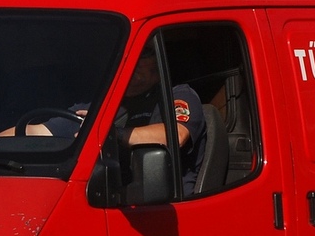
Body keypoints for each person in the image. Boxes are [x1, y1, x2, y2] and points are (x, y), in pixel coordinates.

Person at [18, 46, 208, 196]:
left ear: (159, 62)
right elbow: (37, 131)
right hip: (107, 203)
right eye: (125, 54)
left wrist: (113, 134)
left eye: (145, 53)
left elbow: (177, 134)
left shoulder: (177, 94)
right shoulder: (103, 104)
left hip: (160, 209)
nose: (133, 61)